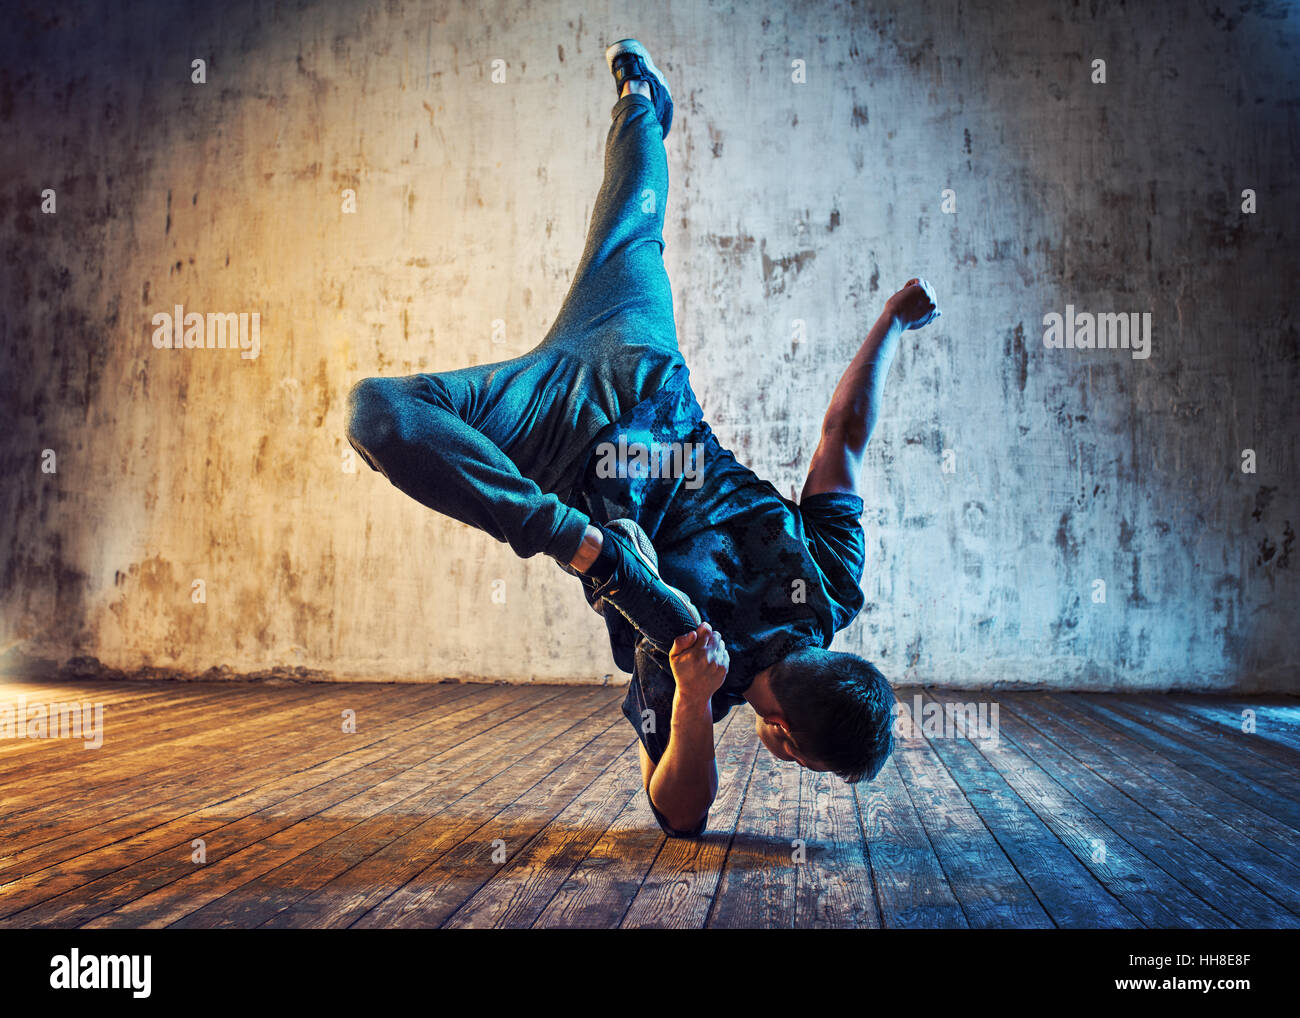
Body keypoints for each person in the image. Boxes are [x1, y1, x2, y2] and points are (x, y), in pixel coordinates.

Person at [346, 38, 942, 838]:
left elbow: (844, 433)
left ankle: (638, 95)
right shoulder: (729, 653)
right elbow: (682, 821)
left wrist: (891, 324)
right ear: (790, 746)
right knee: (379, 415)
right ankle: (586, 549)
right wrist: (691, 690)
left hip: (621, 374)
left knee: (632, 222)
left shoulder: (816, 594)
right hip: (592, 410)